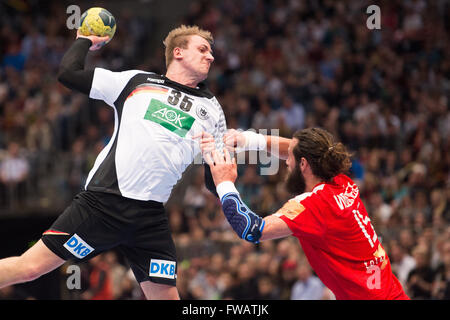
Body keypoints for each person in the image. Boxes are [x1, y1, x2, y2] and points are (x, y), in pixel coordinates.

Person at [0, 24, 228, 300]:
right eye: (203, 49)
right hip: (103, 204)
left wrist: (225, 180)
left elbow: (213, 177)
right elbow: (69, 74)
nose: (211, 57)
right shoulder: (136, 82)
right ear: (178, 52)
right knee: (30, 268)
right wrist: (84, 40)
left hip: (150, 218)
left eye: (211, 52)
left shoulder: (213, 109)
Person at [205, 127, 410, 299]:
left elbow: (251, 230)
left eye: (290, 159)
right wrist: (246, 139)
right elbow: (296, 151)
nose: (285, 162)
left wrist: (224, 183)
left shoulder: (311, 207)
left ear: (303, 164)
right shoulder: (340, 181)